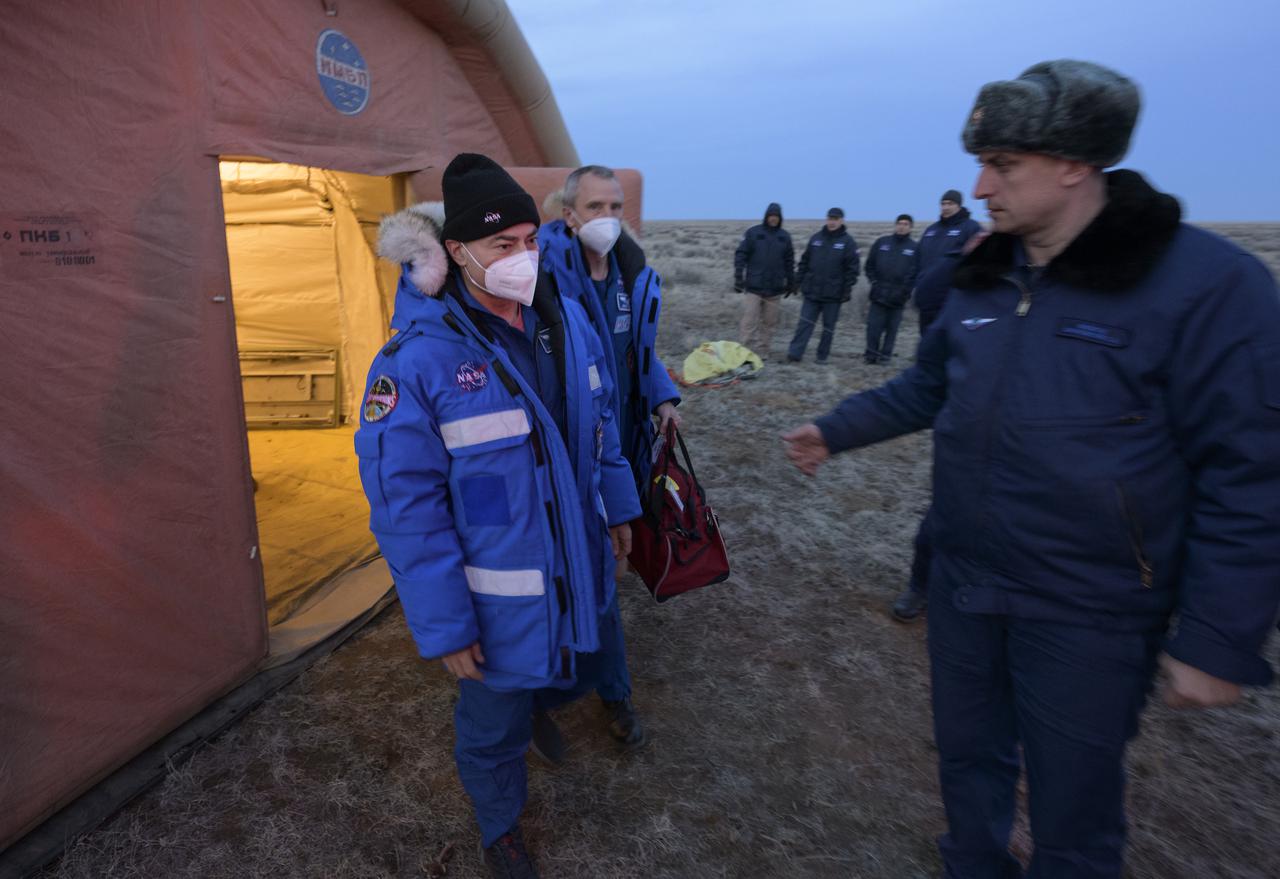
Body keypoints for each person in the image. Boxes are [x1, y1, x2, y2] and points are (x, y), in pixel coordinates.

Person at [783, 60, 1280, 877]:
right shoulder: (984, 274)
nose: (979, 185)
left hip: (1092, 607)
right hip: (967, 580)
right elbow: (931, 384)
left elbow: (1250, 471)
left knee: (1072, 806)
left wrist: (1222, 638)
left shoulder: (1208, 285)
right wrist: (835, 429)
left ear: (1076, 163)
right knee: (967, 760)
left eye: (1004, 165)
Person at [356, 153, 641, 878]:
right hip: (494, 598)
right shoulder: (416, 363)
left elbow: (600, 420)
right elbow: (406, 509)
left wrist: (619, 506)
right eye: (500, 246)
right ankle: (500, 827)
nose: (523, 258)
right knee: (492, 721)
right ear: (454, 253)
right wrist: (447, 624)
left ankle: (549, 702)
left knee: (577, 661)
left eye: (529, 241)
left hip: (575, 561)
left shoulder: (567, 320)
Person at [535, 164, 684, 756]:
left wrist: (664, 395)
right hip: (572, 449)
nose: (609, 220)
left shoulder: (630, 276)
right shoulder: (546, 279)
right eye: (596, 208)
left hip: (621, 441)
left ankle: (608, 689)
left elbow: (636, 354)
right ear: (569, 215)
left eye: (617, 207)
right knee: (584, 569)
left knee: (608, 566)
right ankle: (585, 691)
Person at [784, 207, 860, 364]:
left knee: (828, 327)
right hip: (812, 292)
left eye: (836, 219)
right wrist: (798, 281)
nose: (832, 222)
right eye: (830, 218)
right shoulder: (816, 238)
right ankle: (795, 354)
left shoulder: (848, 242)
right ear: (826, 219)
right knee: (804, 324)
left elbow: (853, 269)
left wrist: (847, 289)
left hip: (834, 295)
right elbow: (804, 262)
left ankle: (822, 356)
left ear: (841, 221)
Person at [915, 190, 983, 335]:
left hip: (953, 300)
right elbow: (917, 261)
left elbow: (979, 264)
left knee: (949, 343)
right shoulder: (931, 231)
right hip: (927, 299)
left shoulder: (971, 228)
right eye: (943, 204)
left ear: (959, 205)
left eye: (950, 204)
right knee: (927, 341)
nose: (945, 207)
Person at [734, 202, 794, 359]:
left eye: (776, 216)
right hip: (754, 287)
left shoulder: (784, 237)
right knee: (749, 321)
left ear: (780, 218)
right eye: (771, 216)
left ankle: (763, 351)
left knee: (769, 323)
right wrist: (738, 277)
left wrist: (791, 282)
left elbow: (789, 260)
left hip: (774, 289)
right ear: (766, 216)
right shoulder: (753, 233)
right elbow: (741, 255)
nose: (773, 219)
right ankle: (745, 352)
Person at [862, 213, 918, 364]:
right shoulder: (882, 243)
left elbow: (916, 273)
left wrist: (905, 291)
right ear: (895, 225)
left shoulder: (914, 248)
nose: (902, 226)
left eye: (906, 224)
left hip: (898, 297)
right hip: (878, 294)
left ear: (911, 227)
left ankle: (885, 356)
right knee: (873, 328)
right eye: (899, 223)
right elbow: (869, 266)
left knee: (891, 330)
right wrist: (874, 282)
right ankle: (870, 355)